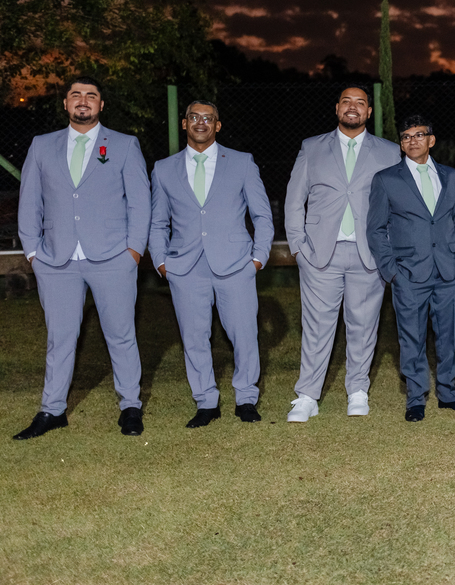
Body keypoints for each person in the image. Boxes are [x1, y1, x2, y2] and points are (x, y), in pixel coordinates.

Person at [15, 76, 150, 440]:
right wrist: (33, 252)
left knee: (121, 335)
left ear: (101, 105)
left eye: (91, 95)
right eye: (76, 94)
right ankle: (52, 410)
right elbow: (29, 201)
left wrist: (133, 251)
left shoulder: (124, 145)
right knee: (60, 338)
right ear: (66, 103)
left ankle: (130, 407)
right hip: (56, 260)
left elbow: (140, 202)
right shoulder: (42, 146)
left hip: (112, 257)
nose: (83, 100)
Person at [148, 100, 274, 427]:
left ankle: (246, 398)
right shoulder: (164, 168)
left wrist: (258, 258)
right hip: (185, 268)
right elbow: (157, 222)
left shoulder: (242, 163)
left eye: (208, 118)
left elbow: (262, 215)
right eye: (194, 117)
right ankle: (206, 402)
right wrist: (161, 262)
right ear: (184, 123)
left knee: (244, 335)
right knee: (194, 338)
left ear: (217, 125)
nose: (201, 122)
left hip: (235, 265)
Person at [283, 85, 402, 422]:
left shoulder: (389, 151)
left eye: (360, 102)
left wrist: (389, 250)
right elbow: (294, 201)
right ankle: (307, 396)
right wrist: (299, 248)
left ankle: (358, 391)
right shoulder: (312, 147)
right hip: (321, 255)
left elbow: (399, 204)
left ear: (368, 112)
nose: (353, 107)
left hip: (369, 255)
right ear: (337, 108)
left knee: (364, 326)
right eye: (347, 102)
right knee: (316, 328)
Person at [366, 115, 455, 422]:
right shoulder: (386, 179)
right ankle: (416, 399)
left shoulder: (450, 176)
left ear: (431, 140)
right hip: (409, 274)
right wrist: (391, 271)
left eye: (418, 135)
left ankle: (449, 394)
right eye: (406, 137)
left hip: (449, 272)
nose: (412, 140)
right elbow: (375, 229)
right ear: (401, 145)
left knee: (449, 337)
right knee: (411, 338)